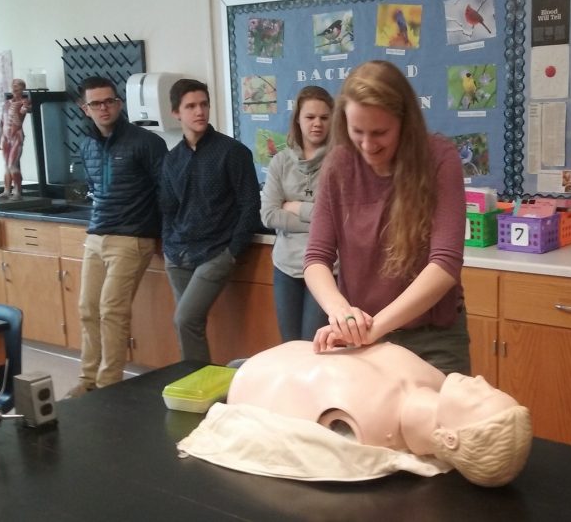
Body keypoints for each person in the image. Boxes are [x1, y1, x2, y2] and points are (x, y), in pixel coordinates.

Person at [303, 60, 470, 375]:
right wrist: (341, 314)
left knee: (440, 423)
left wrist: (373, 327)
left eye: (379, 132)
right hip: (362, 339)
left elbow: (445, 263)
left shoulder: (439, 159)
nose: (367, 144)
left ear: (404, 123)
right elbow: (316, 258)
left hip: (432, 339)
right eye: (357, 132)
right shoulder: (338, 165)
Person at [190, 341, 532, 487]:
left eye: (481, 397)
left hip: (250, 380)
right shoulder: (435, 380)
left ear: (451, 437)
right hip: (273, 357)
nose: (482, 380)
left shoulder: (370, 427)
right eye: (491, 388)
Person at [68, 76, 167, 398]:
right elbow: (96, 189)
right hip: (97, 234)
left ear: (119, 103)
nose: (104, 108)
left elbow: (165, 191)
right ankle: (87, 381)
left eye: (109, 101)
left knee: (112, 309)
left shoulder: (146, 142)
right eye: (96, 103)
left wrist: (163, 237)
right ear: (85, 109)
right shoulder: (86, 145)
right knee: (87, 308)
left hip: (131, 237)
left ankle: (108, 385)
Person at [160, 79, 261, 362]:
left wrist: (231, 253)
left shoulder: (233, 152)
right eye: (190, 106)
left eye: (204, 104)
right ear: (176, 113)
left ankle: (196, 385)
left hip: (215, 253)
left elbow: (250, 204)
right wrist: (168, 245)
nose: (200, 111)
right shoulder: (172, 159)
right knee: (188, 325)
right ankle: (195, 389)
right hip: (178, 254)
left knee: (184, 320)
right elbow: (167, 208)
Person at [260, 86, 333, 342]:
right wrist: (320, 218)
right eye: (310, 117)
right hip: (286, 266)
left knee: (315, 346)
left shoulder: (341, 162)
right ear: (298, 120)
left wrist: (295, 207)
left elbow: (340, 220)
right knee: (290, 347)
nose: (317, 124)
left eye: (324, 118)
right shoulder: (280, 161)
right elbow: (269, 215)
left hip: (327, 266)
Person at [0, 78, 31, 200]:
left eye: (19, 87)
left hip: (16, 135)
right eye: (14, 86)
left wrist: (25, 106)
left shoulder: (23, 103)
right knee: (6, 165)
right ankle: (6, 190)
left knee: (12, 165)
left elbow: (24, 111)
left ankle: (17, 191)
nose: (16, 89)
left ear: (23, 89)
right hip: (6, 137)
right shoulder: (6, 104)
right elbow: (1, 122)